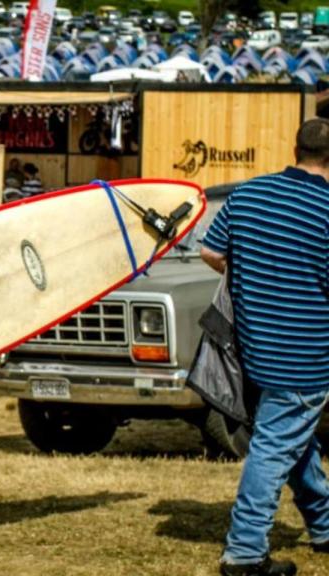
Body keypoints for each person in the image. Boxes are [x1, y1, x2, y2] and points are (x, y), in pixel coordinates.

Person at [201, 117, 329, 576]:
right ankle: (245, 552)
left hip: (253, 350)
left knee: (294, 438)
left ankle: (324, 524)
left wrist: (252, 279)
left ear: (296, 149)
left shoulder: (249, 194)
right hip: (306, 356)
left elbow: (211, 252)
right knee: (275, 447)